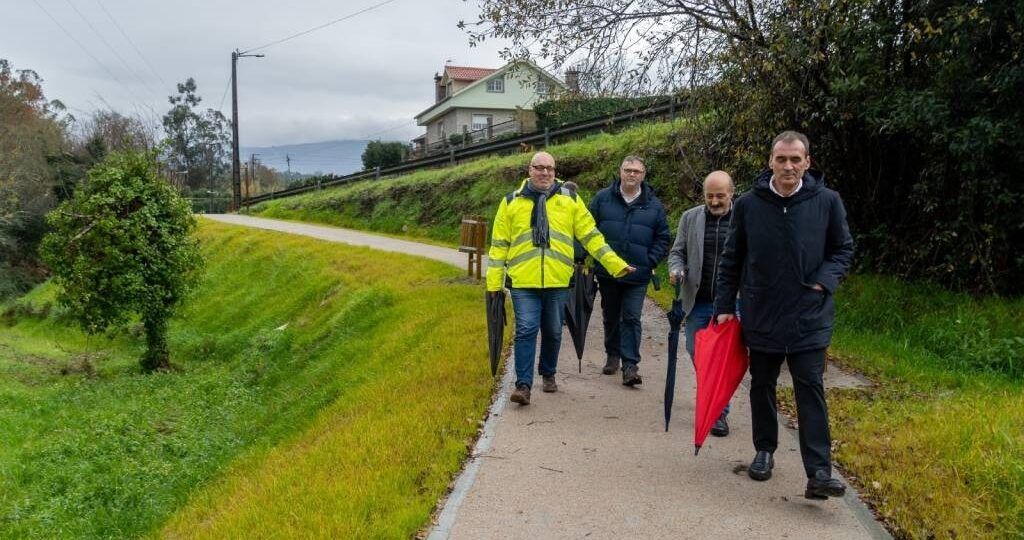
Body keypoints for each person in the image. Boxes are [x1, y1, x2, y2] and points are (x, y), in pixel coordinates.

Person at [713, 131, 854, 500]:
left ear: (807, 162)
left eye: (796, 159)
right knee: (762, 386)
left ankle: (819, 471)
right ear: (770, 161)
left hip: (810, 315)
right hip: (762, 313)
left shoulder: (827, 201)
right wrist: (725, 307)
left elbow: (843, 250)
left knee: (810, 390)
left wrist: (823, 282)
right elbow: (732, 259)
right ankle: (764, 450)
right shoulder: (748, 204)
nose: (788, 166)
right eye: (781, 159)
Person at [487, 152, 635, 406]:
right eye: (539, 168)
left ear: (555, 172)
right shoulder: (511, 202)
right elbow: (499, 246)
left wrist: (615, 264)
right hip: (523, 281)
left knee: (554, 331)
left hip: (557, 280)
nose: (545, 173)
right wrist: (493, 284)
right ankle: (523, 385)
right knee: (526, 330)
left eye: (550, 169)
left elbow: (591, 236)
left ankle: (548, 372)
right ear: (529, 170)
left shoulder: (570, 200)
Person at [588, 156, 670, 386]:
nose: (632, 174)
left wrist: (649, 259)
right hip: (609, 272)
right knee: (611, 314)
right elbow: (587, 229)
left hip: (637, 274)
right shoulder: (602, 199)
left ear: (643, 175)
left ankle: (631, 365)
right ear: (620, 172)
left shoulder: (653, 205)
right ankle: (613, 355)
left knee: (632, 316)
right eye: (628, 170)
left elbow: (663, 237)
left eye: (636, 171)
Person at [666, 170, 735, 436]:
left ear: (731, 193)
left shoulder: (746, 218)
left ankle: (718, 412)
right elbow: (677, 251)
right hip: (698, 300)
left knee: (723, 361)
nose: (715, 201)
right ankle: (712, 399)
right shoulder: (690, 217)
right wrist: (676, 268)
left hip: (731, 304)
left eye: (720, 196)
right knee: (697, 353)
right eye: (709, 196)